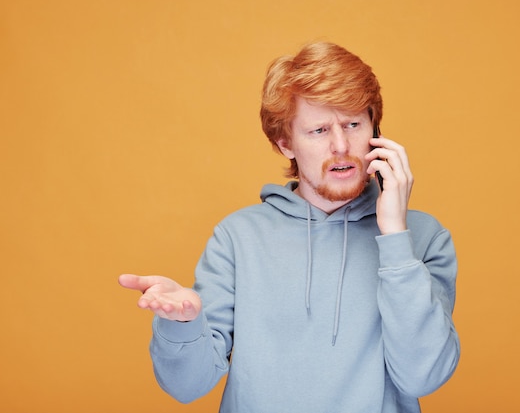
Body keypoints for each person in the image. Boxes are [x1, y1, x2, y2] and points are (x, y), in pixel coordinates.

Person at [119, 41, 459, 413]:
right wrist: (182, 324)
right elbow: (186, 387)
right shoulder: (237, 238)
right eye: (318, 130)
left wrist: (394, 236)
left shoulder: (422, 238)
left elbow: (423, 376)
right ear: (285, 144)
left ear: (375, 130)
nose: (341, 145)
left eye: (353, 124)